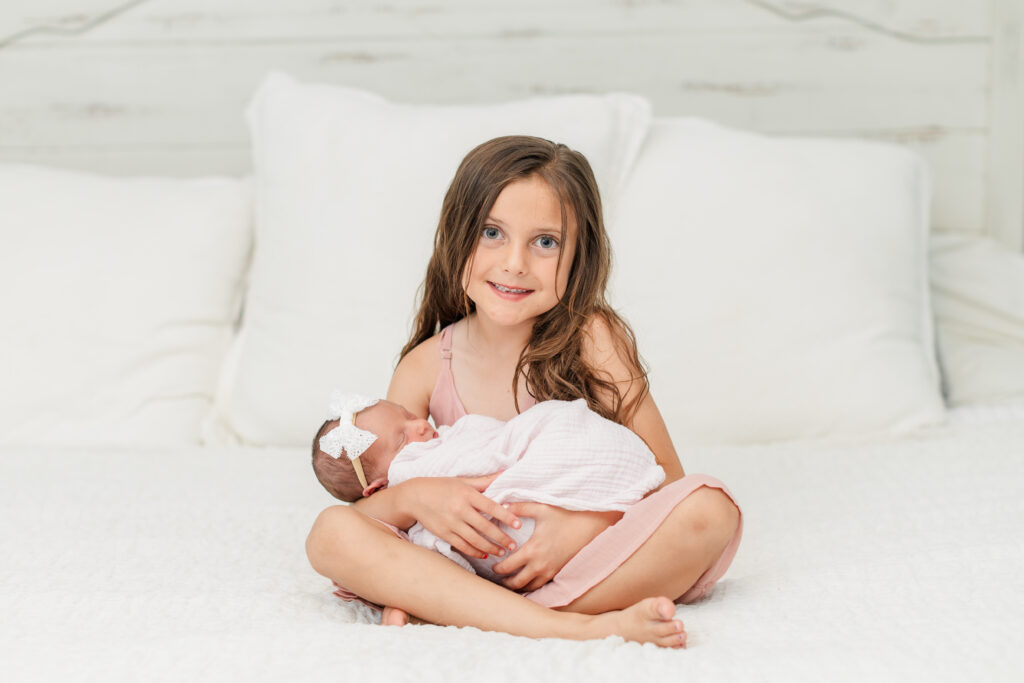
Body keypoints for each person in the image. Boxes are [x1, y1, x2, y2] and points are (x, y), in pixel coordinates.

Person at [305, 135, 742, 649]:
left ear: (580, 255)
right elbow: (373, 498)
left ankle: (464, 612)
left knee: (710, 509)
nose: (515, 263)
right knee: (329, 534)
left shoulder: (592, 337)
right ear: (456, 237)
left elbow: (666, 479)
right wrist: (416, 498)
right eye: (492, 233)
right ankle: (570, 626)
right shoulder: (425, 366)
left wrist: (582, 526)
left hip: (582, 558)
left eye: (546, 242)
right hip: (465, 562)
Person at [311, 394, 666, 581]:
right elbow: (410, 557)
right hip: (521, 534)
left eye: (409, 415)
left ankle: (607, 483)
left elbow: (490, 444)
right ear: (377, 488)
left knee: (704, 506)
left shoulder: (448, 438)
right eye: (403, 436)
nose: (420, 424)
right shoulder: (409, 474)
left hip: (565, 466)